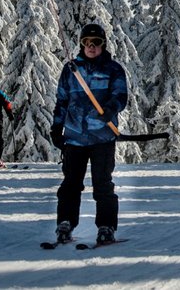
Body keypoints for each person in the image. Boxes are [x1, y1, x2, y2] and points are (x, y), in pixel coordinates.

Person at [50, 23, 128, 246]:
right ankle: (65, 223)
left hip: (102, 138)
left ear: (103, 45)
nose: (91, 47)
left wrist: (111, 108)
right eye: (87, 43)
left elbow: (120, 96)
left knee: (103, 184)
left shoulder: (113, 69)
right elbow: (62, 101)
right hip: (74, 137)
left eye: (96, 43)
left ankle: (106, 227)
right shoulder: (71, 69)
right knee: (70, 184)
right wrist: (57, 128)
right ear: (81, 45)